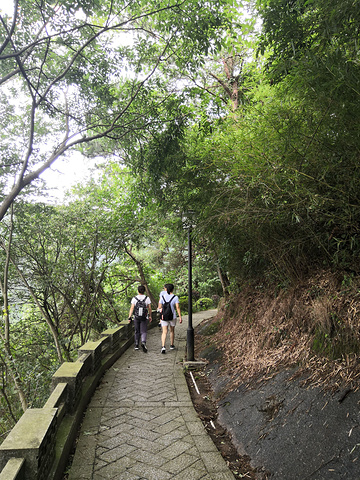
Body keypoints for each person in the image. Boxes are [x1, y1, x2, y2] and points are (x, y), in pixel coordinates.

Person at [158, 283, 182, 354]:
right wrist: (180, 317)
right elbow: (177, 307)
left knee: (164, 332)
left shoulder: (162, 296)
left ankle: (163, 346)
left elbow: (160, 307)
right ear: (172, 289)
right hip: (173, 316)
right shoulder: (175, 297)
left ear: (166, 289)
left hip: (164, 317)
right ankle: (171, 345)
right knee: (172, 331)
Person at [128, 285, 152, 352]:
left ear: (138, 291)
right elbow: (149, 308)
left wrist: (129, 317)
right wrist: (150, 316)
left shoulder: (134, 298)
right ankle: (143, 342)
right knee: (143, 331)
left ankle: (136, 345)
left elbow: (132, 308)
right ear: (144, 291)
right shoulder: (147, 298)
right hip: (144, 317)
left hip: (136, 317)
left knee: (137, 331)